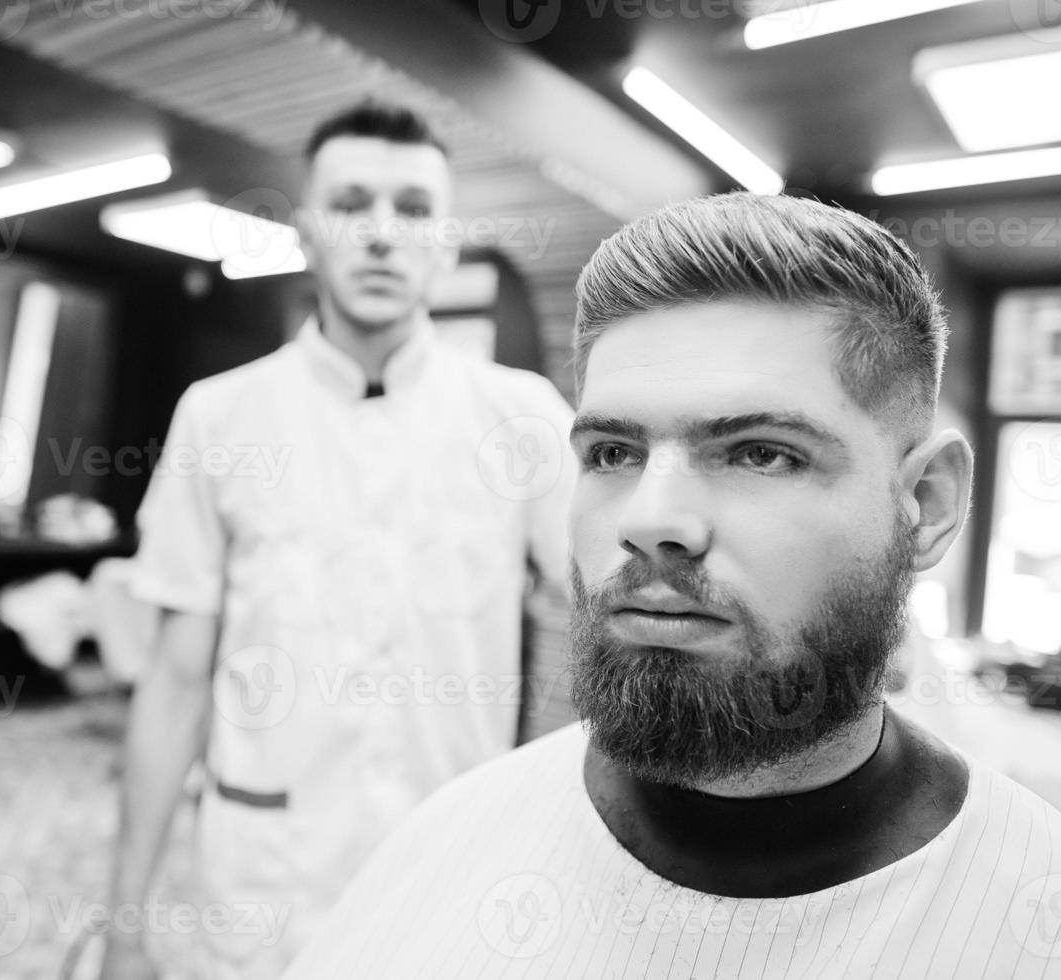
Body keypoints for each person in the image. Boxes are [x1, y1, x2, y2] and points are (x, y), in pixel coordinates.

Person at [280, 193, 1061, 978]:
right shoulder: (448, 841)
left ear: (925, 505)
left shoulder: (1031, 909)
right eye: (613, 454)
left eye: (762, 453)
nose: (651, 521)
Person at [100, 102, 575, 979]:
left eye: (413, 210)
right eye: (352, 204)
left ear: (444, 242)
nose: (382, 235)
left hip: (456, 877)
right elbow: (172, 682)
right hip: (264, 884)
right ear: (308, 233)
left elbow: (605, 614)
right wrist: (124, 926)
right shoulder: (220, 416)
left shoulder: (524, 420)